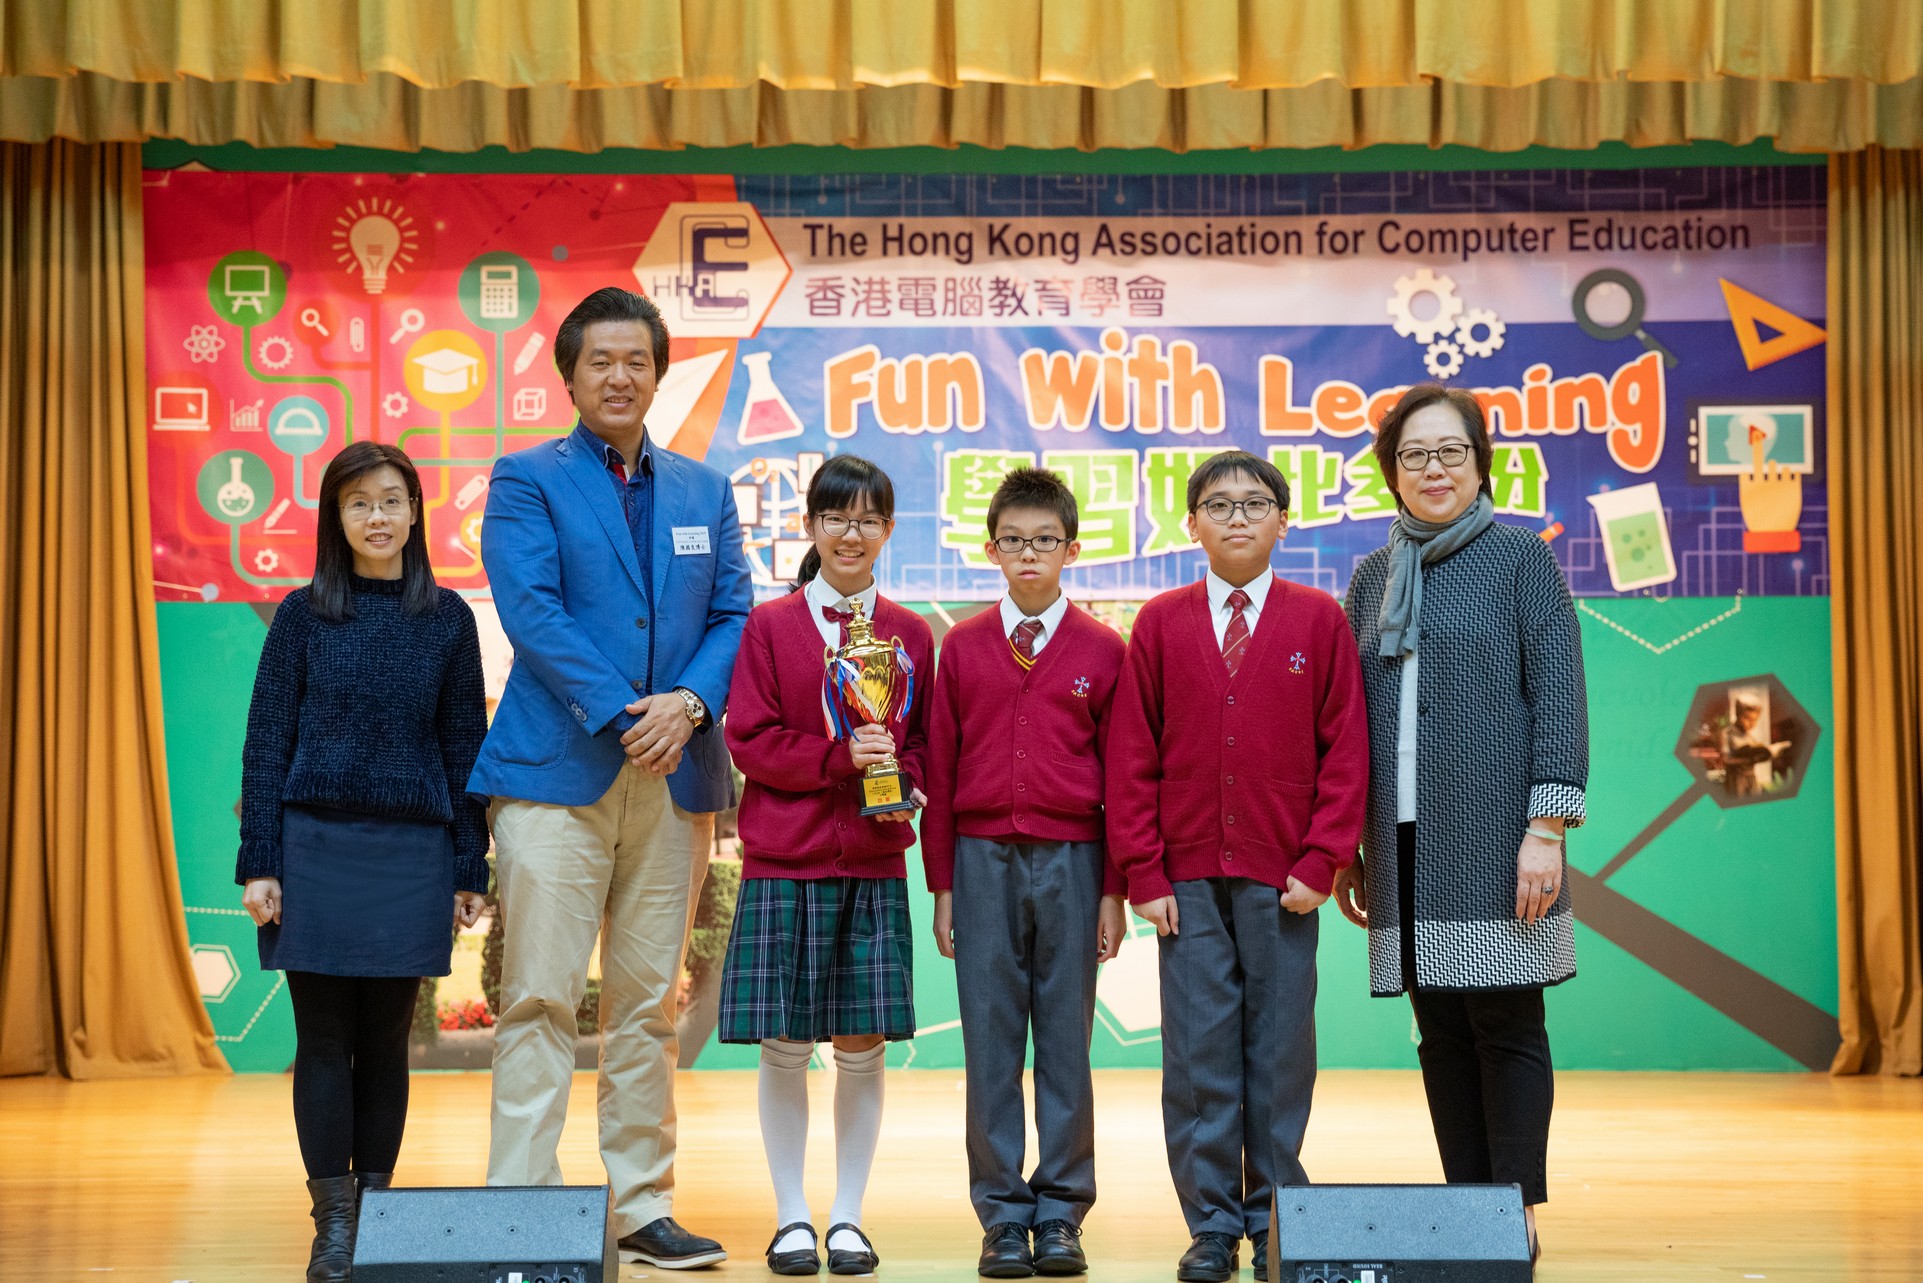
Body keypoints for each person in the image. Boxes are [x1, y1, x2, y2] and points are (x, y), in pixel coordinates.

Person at [471, 286, 752, 1269]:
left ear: (659, 373)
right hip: (558, 771)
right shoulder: (525, 478)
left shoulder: (704, 492)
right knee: (539, 997)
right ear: (570, 375)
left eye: (637, 360)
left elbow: (734, 613)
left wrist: (690, 704)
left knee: (646, 1003)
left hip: (674, 775)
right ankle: (522, 1207)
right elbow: (531, 609)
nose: (620, 376)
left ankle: (641, 1205)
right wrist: (631, 712)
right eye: (601, 360)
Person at [1333, 384, 1588, 1265]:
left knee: (1505, 1023)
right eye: (1414, 454)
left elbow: (1557, 696)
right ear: (1391, 471)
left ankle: (1514, 1208)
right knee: (1438, 1032)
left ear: (1480, 463)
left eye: (1450, 451)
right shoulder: (1372, 575)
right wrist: (1352, 843)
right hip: (1400, 842)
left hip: (1498, 836)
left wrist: (1546, 825)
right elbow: (1351, 716)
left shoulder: (1520, 560)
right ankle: (1469, 1208)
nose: (1432, 468)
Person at [1105, 451, 1369, 1283]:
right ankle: (1212, 1224)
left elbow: (1346, 750)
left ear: (1283, 521)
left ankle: (1276, 1220)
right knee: (1197, 1057)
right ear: (1192, 525)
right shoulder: (1159, 623)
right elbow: (1130, 755)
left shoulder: (1318, 620)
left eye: (1255, 503)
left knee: (1280, 1054)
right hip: (1184, 883)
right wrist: (1143, 872)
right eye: (1217, 505)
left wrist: (1323, 858)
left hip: (1283, 878)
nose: (1237, 517)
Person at [237, 441, 490, 1283]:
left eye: (390, 500)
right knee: (322, 1037)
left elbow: (463, 748)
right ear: (334, 517)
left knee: (385, 1042)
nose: (376, 516)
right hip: (313, 848)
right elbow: (266, 742)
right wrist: (260, 860)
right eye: (358, 503)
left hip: (412, 853)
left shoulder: (448, 619)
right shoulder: (302, 615)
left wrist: (470, 864)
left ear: (415, 512)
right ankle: (335, 1227)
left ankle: (374, 1216)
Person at [718, 455, 934, 1277]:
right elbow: (751, 739)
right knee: (784, 1042)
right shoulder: (770, 627)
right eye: (836, 517)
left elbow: (923, 744)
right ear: (810, 526)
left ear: (887, 530)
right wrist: (842, 759)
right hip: (787, 860)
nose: (852, 533)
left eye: (868, 519)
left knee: (861, 1042)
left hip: (872, 860)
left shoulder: (911, 634)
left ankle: (846, 1216)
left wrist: (904, 780)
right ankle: (790, 1218)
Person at [921, 467, 1130, 1278]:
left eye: (1045, 540)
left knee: (1066, 1043)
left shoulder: (1102, 649)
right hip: (980, 861)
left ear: (1071, 549)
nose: (1029, 554)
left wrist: (1112, 889)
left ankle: (1062, 1211)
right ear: (991, 550)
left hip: (1075, 860)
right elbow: (940, 769)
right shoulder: (962, 647)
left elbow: (1121, 776)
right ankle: (1003, 1214)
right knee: (990, 1041)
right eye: (1013, 540)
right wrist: (942, 885)